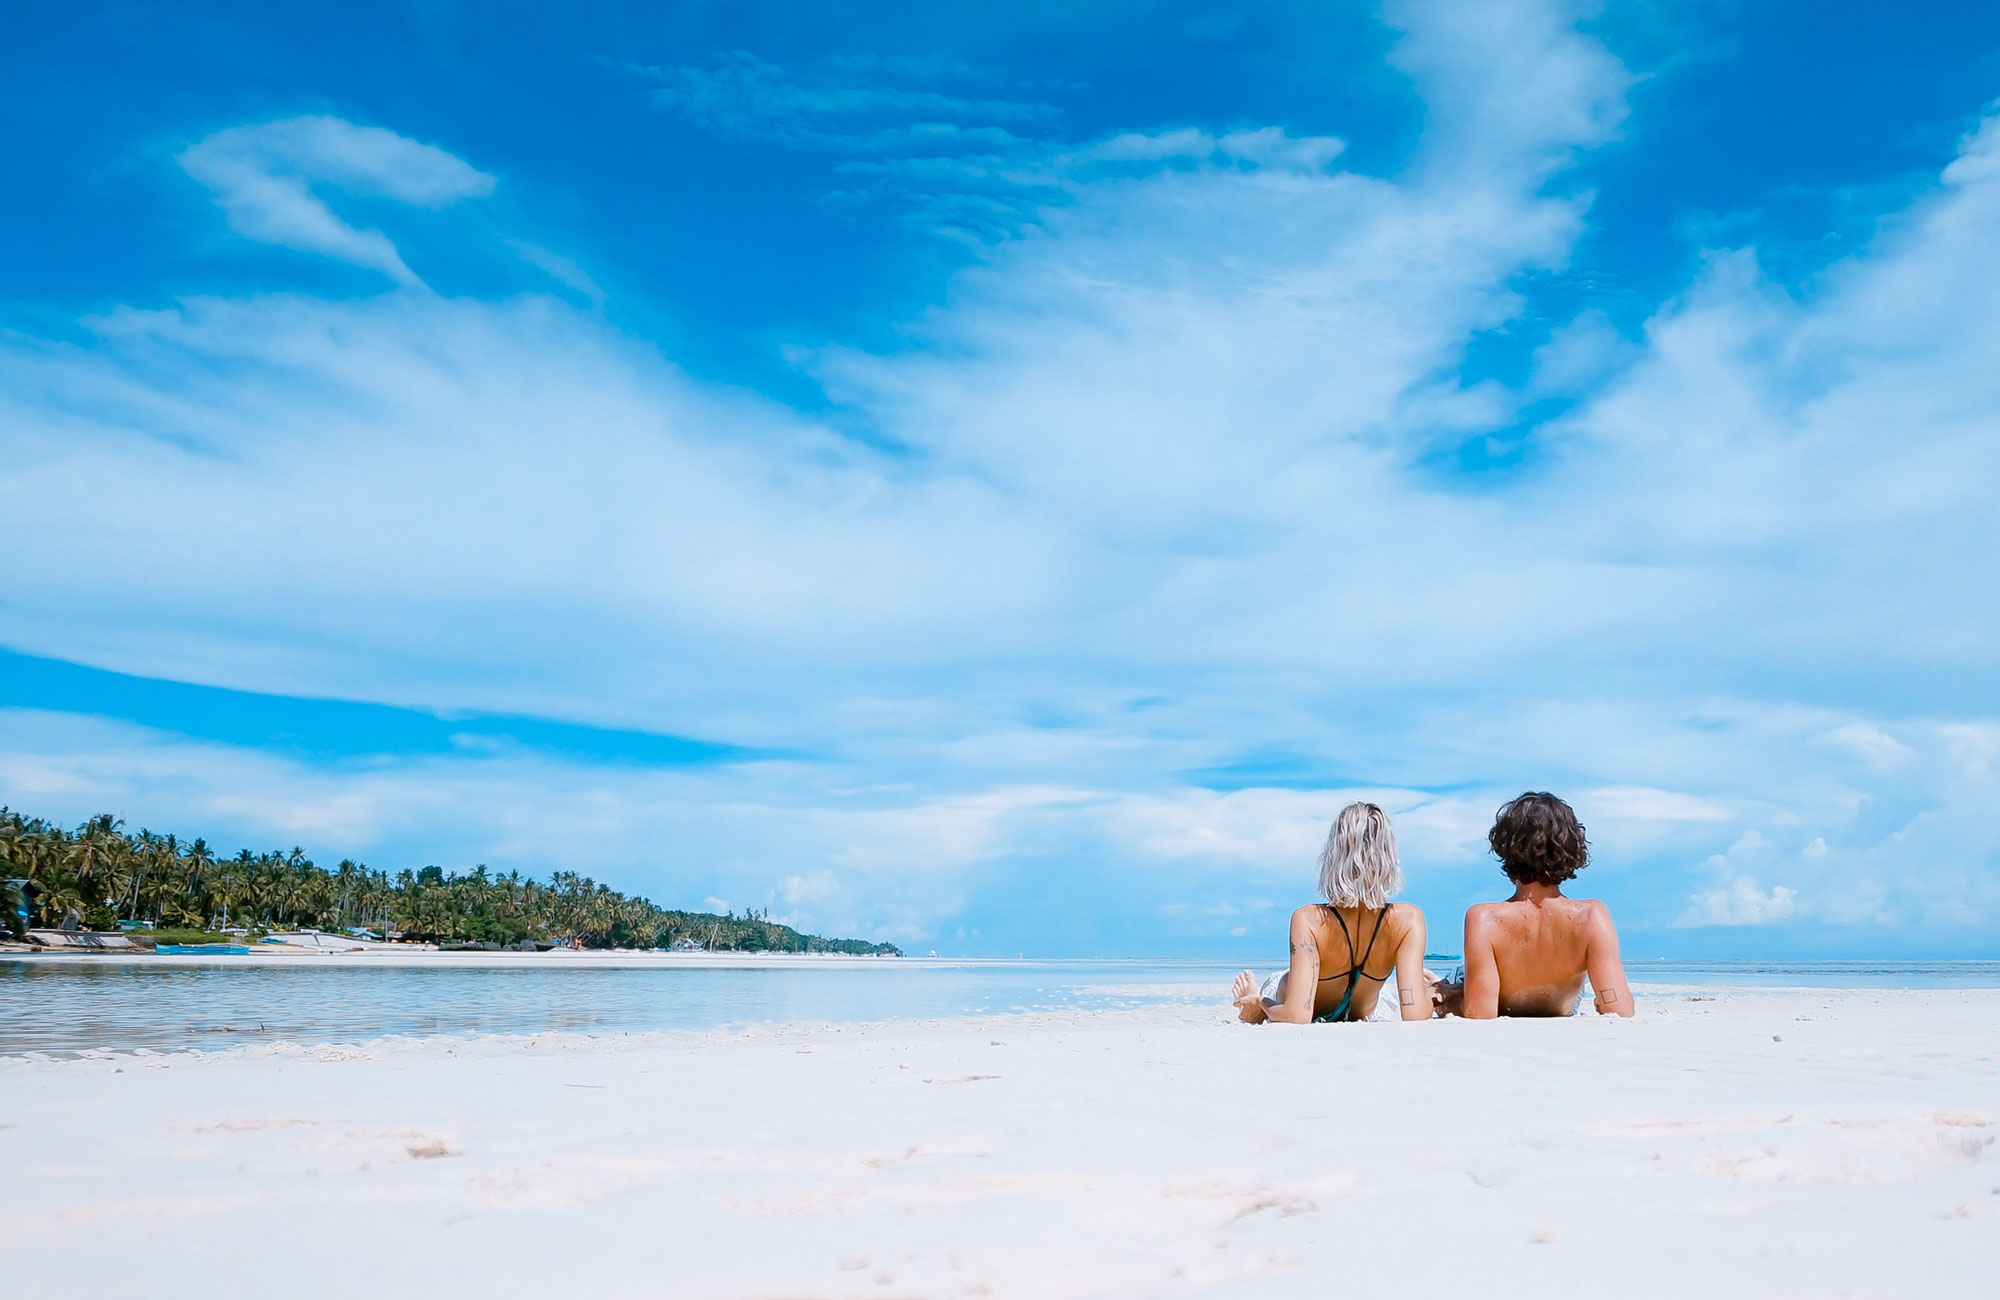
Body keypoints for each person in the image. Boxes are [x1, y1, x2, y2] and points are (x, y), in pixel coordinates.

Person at [1231, 802, 1432, 1024]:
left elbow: (1296, 1016)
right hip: (1365, 1008)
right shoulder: (1408, 920)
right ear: (1389, 856)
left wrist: (1262, 1001)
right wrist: (1433, 993)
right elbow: (1415, 1015)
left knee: (1285, 984)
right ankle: (1256, 1004)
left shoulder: (1309, 919)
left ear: (1333, 856)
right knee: (1381, 996)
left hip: (1299, 997)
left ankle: (1256, 1005)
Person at [1441, 792, 1633, 1018]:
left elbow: (1481, 1011)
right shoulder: (1592, 915)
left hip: (1494, 996)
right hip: (1561, 1004)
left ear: (1506, 848)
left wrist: (1451, 1001)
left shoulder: (1484, 918)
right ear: (1572, 848)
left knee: (1456, 981)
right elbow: (1619, 1009)